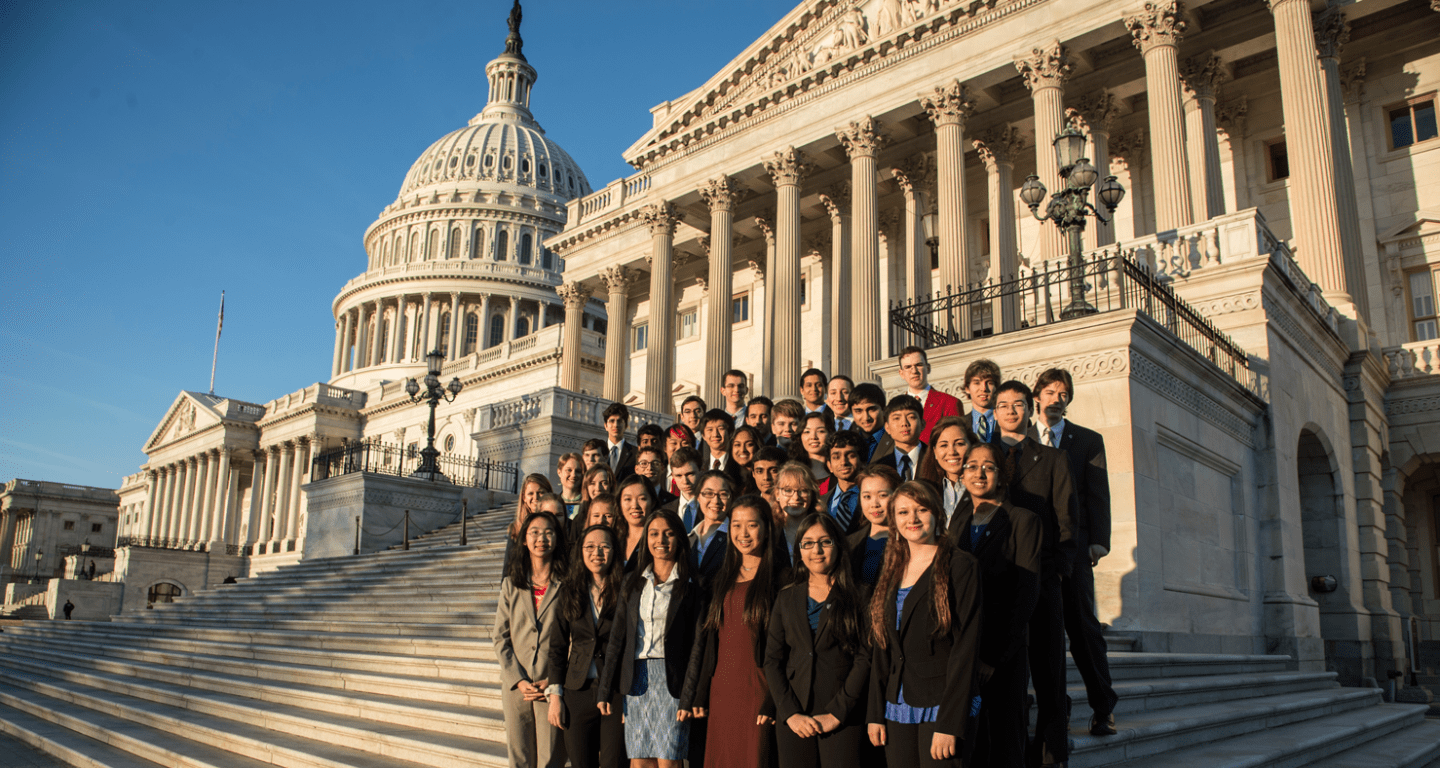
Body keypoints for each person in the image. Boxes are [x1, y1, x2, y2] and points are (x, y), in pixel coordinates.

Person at [987, 380, 1076, 768]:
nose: (1010, 411)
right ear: (993, 412)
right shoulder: (983, 457)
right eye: (1003, 405)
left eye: (1018, 404)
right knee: (1007, 671)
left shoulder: (1053, 459)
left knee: (1049, 668)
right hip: (999, 580)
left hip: (1042, 577)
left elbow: (1067, 522)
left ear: (1031, 408)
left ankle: (1052, 749)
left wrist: (1055, 571)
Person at [867, 481, 982, 768]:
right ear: (893, 520)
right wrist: (875, 711)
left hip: (941, 707)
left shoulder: (960, 565)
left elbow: (966, 648)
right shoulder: (892, 568)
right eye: (903, 512)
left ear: (938, 514)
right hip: (897, 706)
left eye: (922, 509)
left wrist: (950, 724)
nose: (913, 519)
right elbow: (883, 646)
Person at [1033, 367, 1118, 736]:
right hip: (1033, 551)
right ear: (1037, 396)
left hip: (1075, 549)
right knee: (1044, 632)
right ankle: (1057, 707)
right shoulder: (1020, 440)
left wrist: (1098, 541)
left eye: (1063, 393)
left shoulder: (1086, 440)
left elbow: (1098, 493)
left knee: (1082, 629)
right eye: (1050, 391)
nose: (1056, 398)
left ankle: (1103, 706)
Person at [949, 444, 1041, 768]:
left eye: (988, 467)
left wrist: (994, 656)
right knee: (972, 743)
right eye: (971, 466)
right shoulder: (958, 522)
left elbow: (1026, 594)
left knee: (1005, 740)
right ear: (962, 475)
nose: (979, 473)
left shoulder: (1023, 520)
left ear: (1002, 476)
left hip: (1003, 653)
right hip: (963, 650)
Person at [681, 494, 783, 768]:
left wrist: (774, 700)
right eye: (736, 525)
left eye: (752, 525)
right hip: (722, 688)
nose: (743, 533)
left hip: (759, 687)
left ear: (766, 527)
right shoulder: (720, 579)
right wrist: (701, 692)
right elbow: (710, 641)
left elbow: (787, 649)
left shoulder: (781, 580)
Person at [597, 510, 704, 768]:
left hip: (672, 681)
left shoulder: (693, 585)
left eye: (669, 534)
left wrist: (689, 696)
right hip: (637, 679)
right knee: (639, 761)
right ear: (646, 539)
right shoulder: (632, 582)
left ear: (679, 538)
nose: (661, 540)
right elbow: (618, 639)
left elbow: (697, 646)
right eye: (654, 534)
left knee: (669, 761)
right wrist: (605, 689)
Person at [765, 512, 872, 768]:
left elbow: (865, 657)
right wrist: (790, 713)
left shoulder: (860, 594)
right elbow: (772, 660)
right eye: (808, 543)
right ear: (799, 550)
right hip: (794, 716)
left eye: (825, 542)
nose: (817, 550)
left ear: (838, 545)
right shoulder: (787, 597)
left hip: (843, 716)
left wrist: (837, 713)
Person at [546, 524, 627, 768]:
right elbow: (557, 647)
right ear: (581, 551)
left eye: (604, 547)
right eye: (590, 547)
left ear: (614, 551)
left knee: (614, 763)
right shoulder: (569, 591)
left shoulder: (626, 590)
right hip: (576, 691)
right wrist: (555, 697)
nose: (597, 553)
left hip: (614, 692)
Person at [494, 510, 569, 768]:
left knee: (550, 758)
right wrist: (518, 679)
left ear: (557, 539)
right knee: (520, 757)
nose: (541, 538)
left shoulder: (567, 584)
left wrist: (555, 678)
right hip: (518, 687)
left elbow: (574, 638)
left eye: (549, 532)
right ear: (524, 540)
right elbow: (500, 638)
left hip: (550, 686)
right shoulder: (511, 584)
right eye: (534, 532)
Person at [917, 416, 978, 524]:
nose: (951, 452)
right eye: (943, 445)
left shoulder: (984, 487)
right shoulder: (924, 491)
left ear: (972, 446)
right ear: (935, 452)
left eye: (959, 444)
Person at [849, 466, 900, 591]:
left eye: (882, 495)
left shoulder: (911, 540)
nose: (874, 504)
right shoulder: (850, 543)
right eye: (867, 497)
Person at [896, 346, 962, 443]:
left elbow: (957, 440)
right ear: (901, 373)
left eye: (918, 365)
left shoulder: (949, 403)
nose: (914, 371)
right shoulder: (894, 408)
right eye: (908, 367)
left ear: (928, 368)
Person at [690, 471, 735, 583]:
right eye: (709, 493)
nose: (716, 501)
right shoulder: (689, 537)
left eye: (723, 494)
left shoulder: (736, 537)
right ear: (698, 497)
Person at [507, 474, 556, 574]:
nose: (536, 497)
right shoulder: (516, 528)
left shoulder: (557, 523)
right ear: (523, 497)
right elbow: (508, 567)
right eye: (530, 493)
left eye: (541, 492)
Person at [819, 430, 866, 534]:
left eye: (850, 455)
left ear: (862, 461)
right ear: (829, 465)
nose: (843, 462)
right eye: (836, 457)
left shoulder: (871, 499)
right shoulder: (821, 502)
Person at [774, 461, 821, 565]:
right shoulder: (769, 532)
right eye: (788, 490)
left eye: (803, 491)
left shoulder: (824, 529)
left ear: (812, 494)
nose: (796, 497)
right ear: (777, 494)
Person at [874, 395, 926, 483]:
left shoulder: (937, 459)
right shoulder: (879, 468)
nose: (904, 423)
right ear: (887, 427)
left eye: (911, 417)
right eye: (896, 418)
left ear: (922, 424)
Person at [615, 475, 656, 573]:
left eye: (642, 499)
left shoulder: (658, 539)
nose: (635, 506)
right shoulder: (613, 537)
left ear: (653, 502)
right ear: (620, 504)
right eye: (628, 499)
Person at [699, 409, 745, 487]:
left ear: (730, 433)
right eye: (710, 430)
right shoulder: (700, 468)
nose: (715, 434)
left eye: (721, 429)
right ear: (703, 435)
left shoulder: (741, 467)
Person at [661, 448, 702, 531]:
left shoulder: (712, 508)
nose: (685, 481)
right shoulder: (665, 511)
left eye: (690, 474)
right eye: (679, 476)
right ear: (672, 476)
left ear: (701, 471)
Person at [963, 360, 1001, 444]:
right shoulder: (960, 425)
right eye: (977, 383)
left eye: (989, 383)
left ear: (996, 387)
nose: (984, 388)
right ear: (967, 388)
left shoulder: (1007, 420)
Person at [848, 384, 889, 462]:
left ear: (884, 410)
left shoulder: (897, 439)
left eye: (872, 409)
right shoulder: (848, 441)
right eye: (858, 411)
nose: (866, 417)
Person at [751, 445, 788, 521]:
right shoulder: (748, 505)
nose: (766, 477)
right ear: (753, 474)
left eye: (774, 471)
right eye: (759, 471)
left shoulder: (793, 505)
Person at [796, 410, 833, 483]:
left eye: (821, 431)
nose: (813, 437)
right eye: (807, 432)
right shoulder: (794, 470)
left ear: (830, 434)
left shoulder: (839, 469)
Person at [603, 403, 638, 480]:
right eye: (612, 421)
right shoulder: (599, 451)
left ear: (626, 426)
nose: (615, 425)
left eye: (619, 421)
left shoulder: (636, 453)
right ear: (605, 426)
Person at [730, 425, 763, 490]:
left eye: (749, 444)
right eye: (737, 445)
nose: (742, 450)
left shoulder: (765, 477)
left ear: (758, 446)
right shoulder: (726, 474)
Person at [558, 453, 585, 521]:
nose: (573, 475)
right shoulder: (553, 503)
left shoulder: (588, 504)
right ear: (559, 472)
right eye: (569, 470)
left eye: (578, 471)